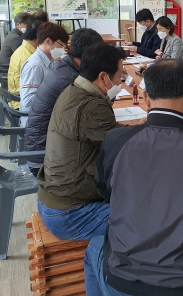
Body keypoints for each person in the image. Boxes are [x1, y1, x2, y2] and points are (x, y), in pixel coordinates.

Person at [85, 59, 183, 296]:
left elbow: (104, 189)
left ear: (146, 98)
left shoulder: (116, 140)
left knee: (94, 248)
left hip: (120, 280)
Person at [36, 43, 126, 240]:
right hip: (70, 214)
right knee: (150, 217)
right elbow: (123, 148)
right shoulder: (91, 106)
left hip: (56, 200)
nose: (121, 81)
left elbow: (109, 132)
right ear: (103, 77)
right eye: (120, 76)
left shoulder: (74, 90)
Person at [25, 28, 104, 176]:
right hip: (45, 158)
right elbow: (91, 121)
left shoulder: (64, 66)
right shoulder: (70, 80)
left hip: (44, 144)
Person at [19, 22, 69, 126]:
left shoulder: (49, 60)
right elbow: (28, 101)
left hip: (42, 115)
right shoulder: (35, 66)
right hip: (35, 122)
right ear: (48, 41)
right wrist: (55, 96)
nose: (63, 49)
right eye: (61, 45)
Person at [8, 20, 42, 108]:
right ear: (40, 37)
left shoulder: (24, 49)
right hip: (20, 102)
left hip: (18, 95)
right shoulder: (30, 59)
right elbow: (29, 98)